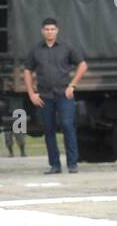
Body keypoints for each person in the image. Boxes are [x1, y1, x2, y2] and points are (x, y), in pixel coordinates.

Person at [23, 18, 88, 174]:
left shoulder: (66, 48)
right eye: (47, 29)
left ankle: (72, 164)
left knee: (67, 126)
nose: (49, 31)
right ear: (42, 31)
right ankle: (55, 165)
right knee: (49, 130)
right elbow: (27, 70)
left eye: (52, 29)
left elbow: (82, 64)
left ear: (57, 30)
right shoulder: (36, 49)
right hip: (44, 96)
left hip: (64, 94)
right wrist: (31, 93)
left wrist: (73, 85)